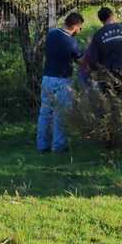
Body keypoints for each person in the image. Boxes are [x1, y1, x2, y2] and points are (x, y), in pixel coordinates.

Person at [36, 12, 85, 153]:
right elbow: (81, 60)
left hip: (47, 78)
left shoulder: (51, 34)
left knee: (45, 113)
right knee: (61, 113)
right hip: (62, 80)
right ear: (75, 26)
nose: (79, 31)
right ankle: (59, 145)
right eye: (80, 28)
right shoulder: (70, 42)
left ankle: (42, 145)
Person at [85, 8, 122, 90]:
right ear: (112, 15)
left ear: (101, 20)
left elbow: (93, 60)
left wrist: (95, 74)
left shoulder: (97, 35)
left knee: (111, 99)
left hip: (108, 75)